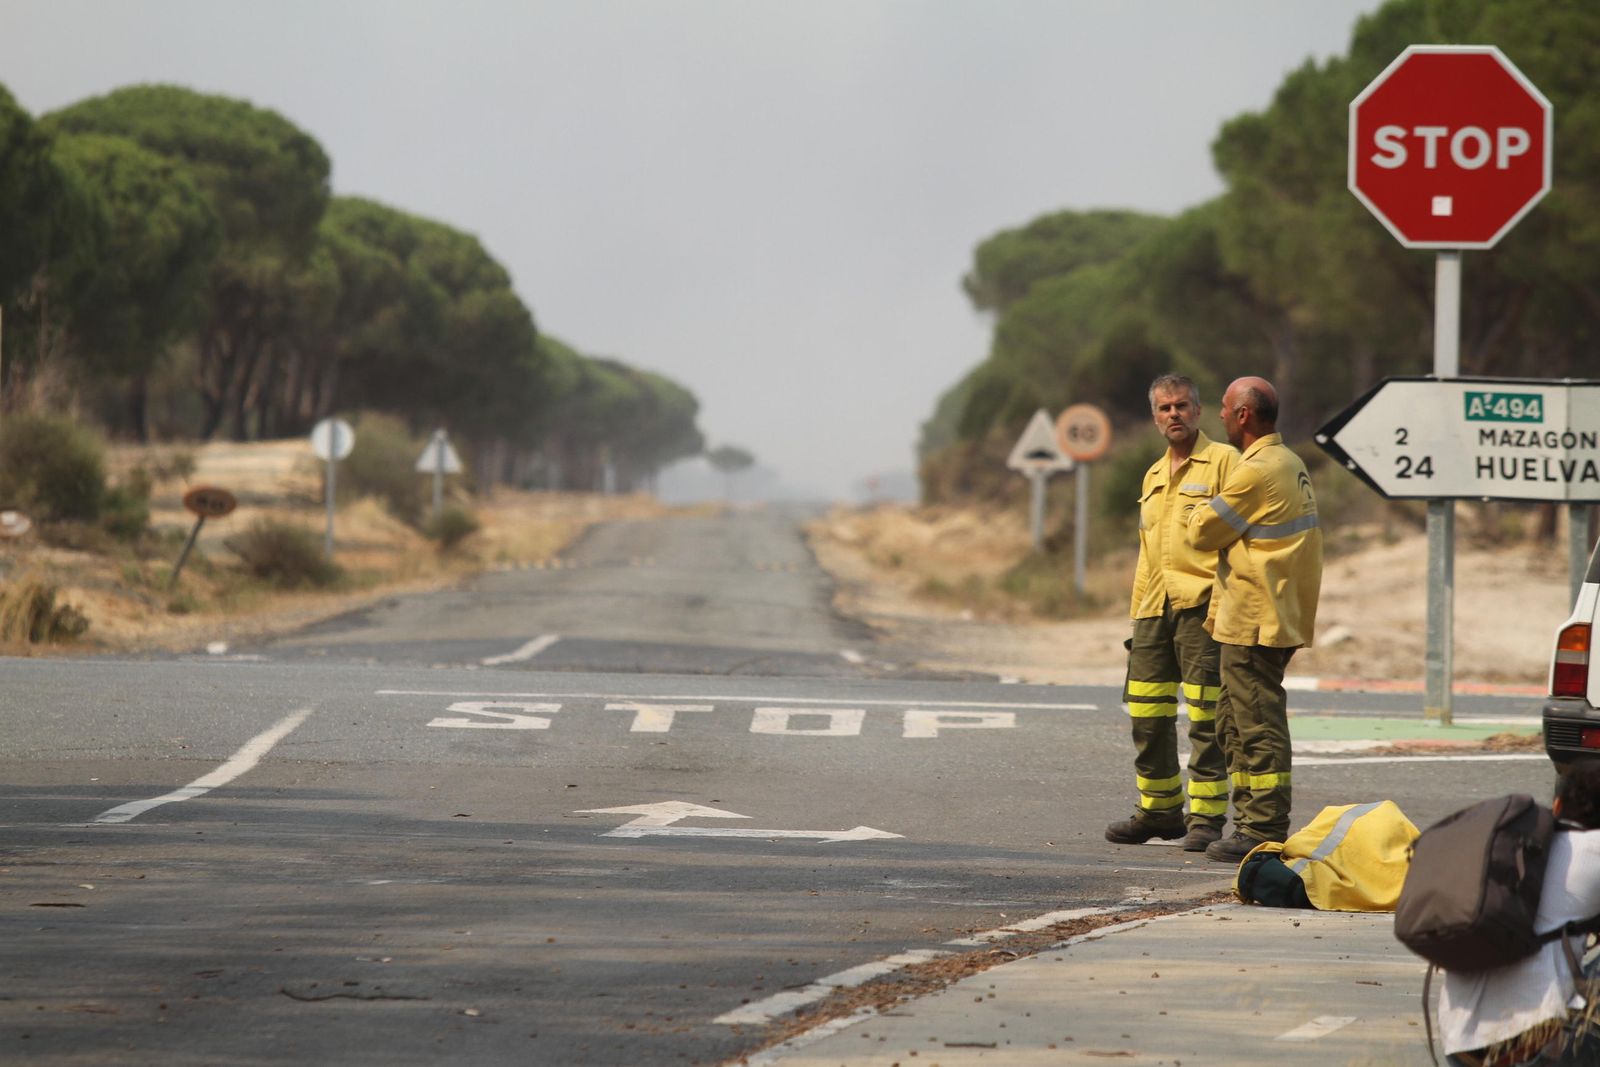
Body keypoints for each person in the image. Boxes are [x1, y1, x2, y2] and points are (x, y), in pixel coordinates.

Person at [1185, 376, 1322, 864]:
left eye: (1224, 408)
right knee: (1233, 721)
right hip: (1264, 612)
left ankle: (1262, 826)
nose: (1217, 415)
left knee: (1256, 723)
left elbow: (1201, 532)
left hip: (1255, 617)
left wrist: (1197, 507)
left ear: (1244, 415)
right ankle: (1247, 821)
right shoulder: (1289, 462)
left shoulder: (1256, 472)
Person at [1104, 374, 1236, 853]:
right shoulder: (1154, 474)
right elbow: (1148, 551)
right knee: (1146, 712)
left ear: (1198, 412)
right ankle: (1159, 813)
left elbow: (1240, 539)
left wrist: (1224, 606)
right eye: (1165, 408)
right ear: (1155, 417)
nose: (1174, 414)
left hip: (1203, 607)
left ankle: (1205, 819)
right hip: (1152, 609)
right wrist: (1138, 614)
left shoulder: (1226, 463)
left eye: (1182, 406)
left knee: (1206, 716)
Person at [1439, 763, 1600, 1066]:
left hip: (1459, 1043)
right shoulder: (1595, 849)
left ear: (1557, 805)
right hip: (1534, 1045)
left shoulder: (1515, 847)